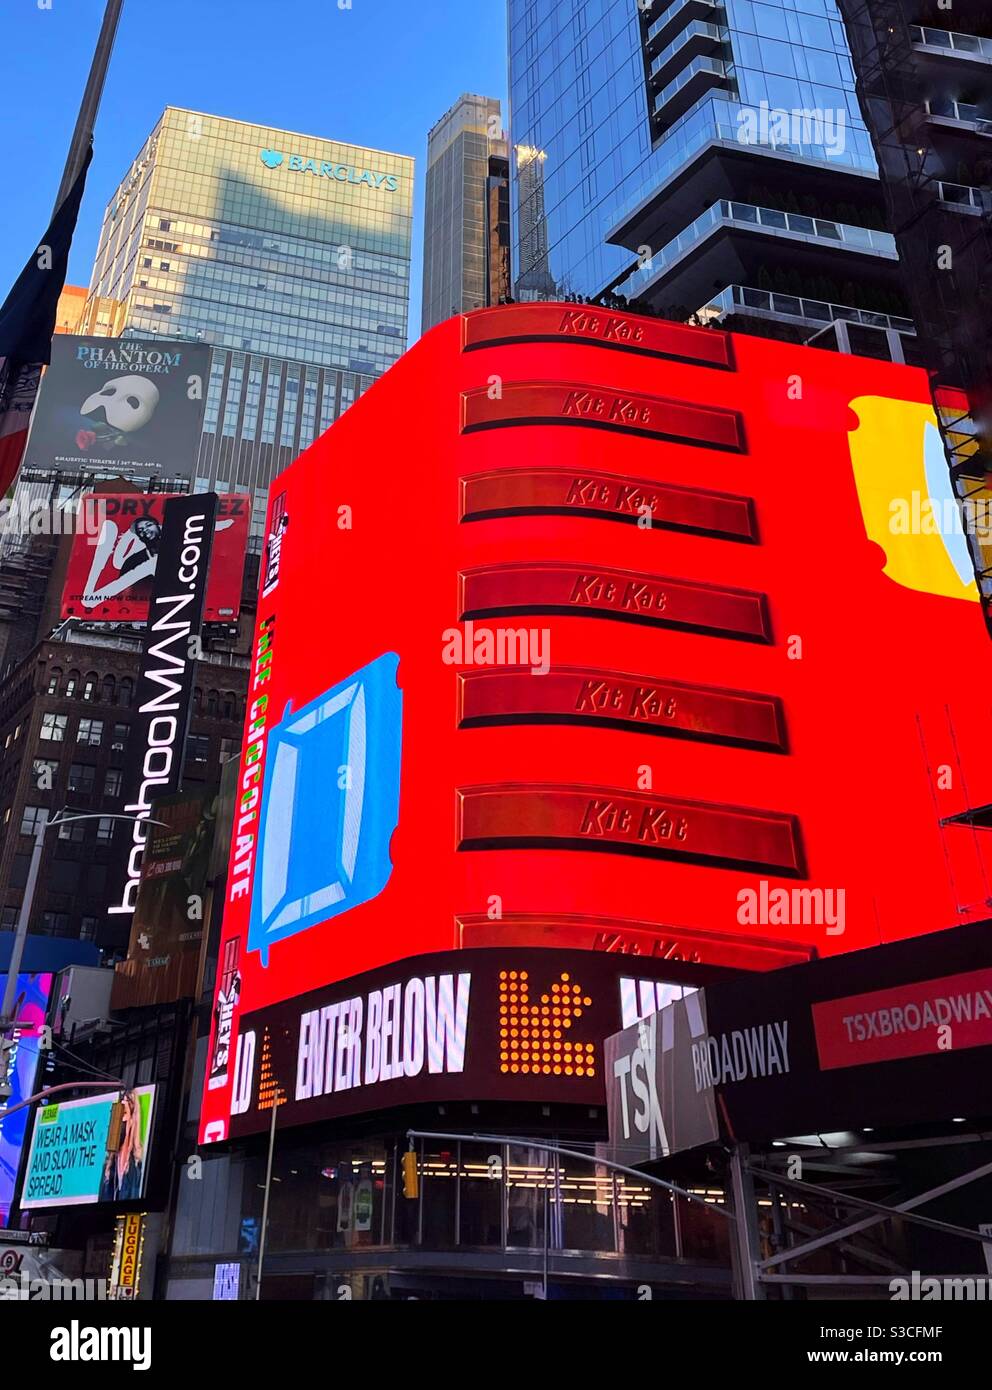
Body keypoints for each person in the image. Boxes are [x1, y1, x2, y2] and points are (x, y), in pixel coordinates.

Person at [98, 1091, 145, 1202]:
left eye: (123, 1113)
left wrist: (135, 1101)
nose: (120, 1120)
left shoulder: (135, 1157)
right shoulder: (108, 1167)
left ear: (131, 1120)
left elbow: (136, 1117)